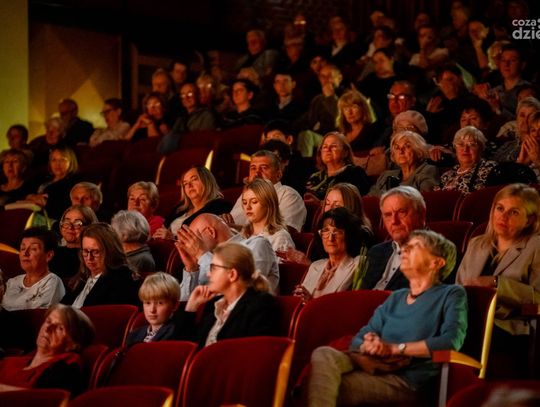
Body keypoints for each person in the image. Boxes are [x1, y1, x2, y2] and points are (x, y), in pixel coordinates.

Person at [307, 230, 467, 405]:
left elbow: (451, 341)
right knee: (323, 354)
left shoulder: (451, 294)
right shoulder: (396, 297)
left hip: (406, 379)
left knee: (328, 386)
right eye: (405, 247)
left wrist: (395, 349)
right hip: (373, 364)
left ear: (436, 262)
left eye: (415, 247)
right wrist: (370, 344)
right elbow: (360, 337)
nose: (404, 250)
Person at [457, 183, 540, 376]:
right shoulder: (476, 244)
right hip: (468, 319)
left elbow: (538, 299)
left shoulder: (536, 247)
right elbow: (459, 287)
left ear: (529, 220)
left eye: (514, 212)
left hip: (508, 326)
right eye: (500, 208)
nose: (503, 217)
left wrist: (497, 283)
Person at [175, 242, 279, 347]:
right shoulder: (213, 304)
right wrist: (191, 307)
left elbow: (254, 351)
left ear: (232, 274)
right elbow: (186, 347)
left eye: (213, 268)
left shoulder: (261, 305)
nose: (208, 274)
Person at [175, 213, 279, 301]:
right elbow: (183, 304)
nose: (192, 245)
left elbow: (241, 287)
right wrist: (192, 269)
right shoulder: (205, 260)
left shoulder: (256, 245)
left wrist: (202, 253)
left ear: (211, 232)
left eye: (194, 238)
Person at [0, 304, 94, 394]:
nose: (47, 329)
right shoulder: (12, 361)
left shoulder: (66, 370)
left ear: (74, 344)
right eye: (48, 321)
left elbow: (46, 399)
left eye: (60, 328)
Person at [294, 208, 370, 302]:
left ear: (349, 235)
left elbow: (345, 305)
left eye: (337, 231)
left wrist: (310, 301)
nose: (330, 238)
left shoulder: (358, 264)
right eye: (326, 231)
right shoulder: (315, 266)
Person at [361, 186, 427, 291]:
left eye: (401, 212)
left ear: (421, 214)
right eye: (388, 215)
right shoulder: (375, 252)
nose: (394, 221)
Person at [228, 150, 307, 233]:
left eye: (264, 168)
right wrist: (224, 221)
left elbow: (284, 232)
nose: (257, 173)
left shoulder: (288, 195)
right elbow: (231, 224)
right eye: (253, 168)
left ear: (278, 174)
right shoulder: (246, 195)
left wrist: (238, 229)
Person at [62, 223, 139, 308]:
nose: (89, 258)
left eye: (96, 252)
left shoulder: (122, 277)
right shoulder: (82, 277)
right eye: (85, 251)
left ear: (110, 251)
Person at [154, 166, 231, 239]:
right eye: (185, 183)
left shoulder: (220, 206)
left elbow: (209, 239)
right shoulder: (179, 208)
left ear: (207, 181)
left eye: (194, 179)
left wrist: (172, 238)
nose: (189, 185)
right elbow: (163, 227)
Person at [1, 228, 64, 311]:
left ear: (48, 255)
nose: (25, 253)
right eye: (22, 248)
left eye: (33, 249)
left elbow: (39, 315)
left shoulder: (51, 281)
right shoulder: (12, 282)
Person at [305, 132, 371, 204]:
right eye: (325, 147)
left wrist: (319, 203)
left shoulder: (355, 173)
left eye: (333, 146)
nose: (328, 149)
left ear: (345, 152)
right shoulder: (315, 176)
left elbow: (355, 202)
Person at [369, 130, 439, 197]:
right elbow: (369, 198)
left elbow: (424, 198)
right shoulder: (385, 176)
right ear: (393, 155)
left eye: (407, 146)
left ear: (419, 152)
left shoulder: (428, 170)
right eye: (397, 148)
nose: (401, 151)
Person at [157, 83, 218, 155]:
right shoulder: (181, 118)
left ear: (198, 96)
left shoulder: (207, 115)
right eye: (183, 95)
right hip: (182, 153)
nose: (186, 97)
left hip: (198, 153)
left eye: (190, 94)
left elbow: (205, 139)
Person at [437, 126, 497, 194]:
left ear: (481, 148)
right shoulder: (447, 175)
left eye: (472, 145)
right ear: (455, 148)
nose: (465, 149)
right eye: (461, 144)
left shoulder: (490, 168)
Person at [26, 146, 80, 221]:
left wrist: (46, 202)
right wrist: (31, 196)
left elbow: (63, 208)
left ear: (71, 162)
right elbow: (24, 193)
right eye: (54, 160)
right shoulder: (42, 178)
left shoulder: (73, 183)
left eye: (62, 160)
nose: (57, 164)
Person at [125, 272, 180, 346]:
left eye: (160, 303)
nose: (152, 310)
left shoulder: (175, 332)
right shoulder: (134, 334)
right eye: (147, 303)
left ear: (175, 305)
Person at [240, 178, 295, 252]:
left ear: (269, 203)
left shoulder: (280, 237)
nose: (248, 207)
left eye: (254, 202)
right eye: (244, 203)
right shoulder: (243, 234)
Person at [49, 205, 98, 281]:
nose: (70, 227)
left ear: (90, 227)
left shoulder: (92, 257)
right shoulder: (52, 253)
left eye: (78, 224)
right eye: (66, 222)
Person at [111, 210, 156, 275]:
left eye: (114, 229)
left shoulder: (142, 260)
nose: (112, 233)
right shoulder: (120, 253)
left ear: (124, 233)